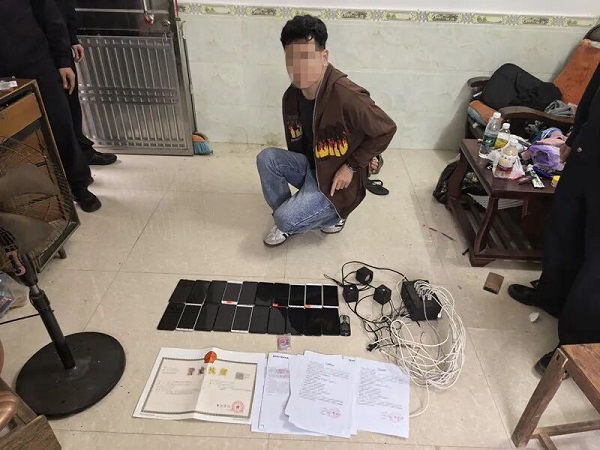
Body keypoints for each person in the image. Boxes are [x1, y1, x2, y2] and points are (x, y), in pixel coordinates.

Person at [257, 15, 396, 246]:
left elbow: (386, 129)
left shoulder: (346, 94)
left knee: (285, 219)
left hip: (337, 179)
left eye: (306, 58)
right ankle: (290, 217)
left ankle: (334, 215)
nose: (298, 68)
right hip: (314, 166)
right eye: (291, 59)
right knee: (266, 158)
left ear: (324, 57)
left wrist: (352, 166)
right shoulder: (291, 97)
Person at [508, 62, 600, 375]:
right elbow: (594, 91)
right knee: (563, 228)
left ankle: (577, 348)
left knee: (597, 268)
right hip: (588, 151)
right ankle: (552, 297)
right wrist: (574, 138)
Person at [0, 0, 101, 212]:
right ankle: (32, 199)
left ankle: (78, 185)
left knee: (60, 125)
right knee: (13, 138)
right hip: (2, 78)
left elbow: (50, 16)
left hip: (37, 64)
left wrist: (63, 60)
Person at [54, 0, 118, 167]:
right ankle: (70, 158)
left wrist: (71, 38)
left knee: (70, 102)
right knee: (58, 107)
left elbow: (60, 9)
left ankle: (81, 153)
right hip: (38, 50)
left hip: (56, 44)